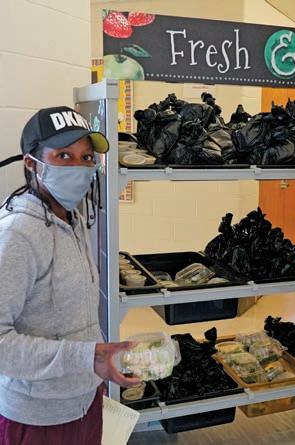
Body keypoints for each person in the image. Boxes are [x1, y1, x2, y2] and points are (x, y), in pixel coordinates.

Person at [0, 106, 139, 445]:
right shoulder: (17, 234)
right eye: (64, 155)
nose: (79, 167)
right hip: (37, 418)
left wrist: (95, 366)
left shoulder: (71, 218)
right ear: (32, 163)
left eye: (87, 157)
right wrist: (88, 357)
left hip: (83, 401)